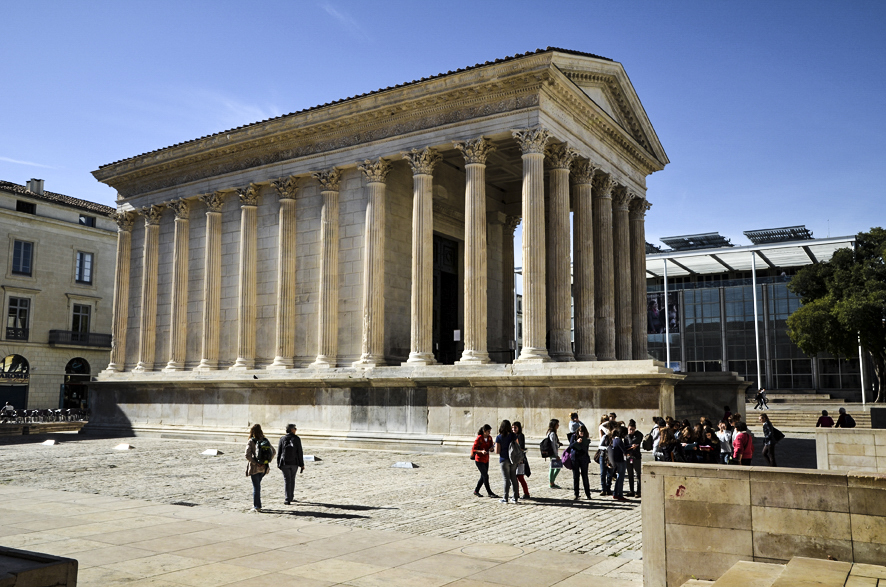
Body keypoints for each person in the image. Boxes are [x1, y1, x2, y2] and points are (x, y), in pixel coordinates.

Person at [245, 423, 275, 512]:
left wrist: (256, 462)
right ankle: (257, 504)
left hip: (255, 468)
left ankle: (257, 506)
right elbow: (273, 451)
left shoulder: (251, 441)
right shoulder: (265, 440)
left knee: (256, 487)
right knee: (257, 486)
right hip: (264, 468)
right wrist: (266, 462)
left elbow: (247, 455)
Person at [277, 423, 304, 505]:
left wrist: (279, 463)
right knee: (292, 479)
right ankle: (290, 497)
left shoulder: (282, 439)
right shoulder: (296, 439)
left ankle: (287, 498)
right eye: (295, 428)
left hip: (284, 462)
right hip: (294, 462)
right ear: (292, 430)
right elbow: (300, 452)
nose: (296, 430)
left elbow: (279, 452)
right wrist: (301, 464)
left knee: (287, 480)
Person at [494, 419, 520, 504]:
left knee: (506, 479)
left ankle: (505, 498)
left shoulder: (499, 437)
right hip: (513, 460)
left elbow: (497, 451)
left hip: (504, 459)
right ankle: (515, 498)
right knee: (514, 478)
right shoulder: (514, 436)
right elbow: (517, 447)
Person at [471, 424, 498, 498]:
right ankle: (489, 492)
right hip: (479, 460)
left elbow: (491, 448)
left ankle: (476, 491)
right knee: (485, 476)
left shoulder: (489, 438)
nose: (489, 433)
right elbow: (474, 449)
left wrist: (491, 449)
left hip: (486, 459)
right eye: (488, 431)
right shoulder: (479, 438)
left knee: (483, 476)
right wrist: (481, 451)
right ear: (484, 431)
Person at [568, 424, 592, 500]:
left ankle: (588, 494)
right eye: (580, 432)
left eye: (583, 432)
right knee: (576, 476)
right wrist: (577, 442)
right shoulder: (574, 436)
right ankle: (576, 494)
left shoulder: (586, 439)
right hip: (575, 458)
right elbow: (571, 446)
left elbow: (585, 449)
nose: (581, 434)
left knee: (585, 476)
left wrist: (582, 442)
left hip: (584, 459)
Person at [608, 427, 628, 501]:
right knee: (620, 478)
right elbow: (624, 451)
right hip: (620, 460)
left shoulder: (615, 440)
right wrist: (632, 448)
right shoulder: (619, 440)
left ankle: (615, 493)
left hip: (617, 460)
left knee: (619, 478)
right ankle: (619, 494)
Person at [512, 421, 531, 499]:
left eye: (515, 427)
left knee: (520, 477)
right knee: (514, 478)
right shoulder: (512, 436)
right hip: (514, 459)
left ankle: (526, 493)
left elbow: (521, 447)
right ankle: (516, 493)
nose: (514, 429)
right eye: (512, 427)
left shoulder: (520, 436)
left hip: (520, 459)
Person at [625, 420, 643, 498]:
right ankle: (631, 490)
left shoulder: (638, 435)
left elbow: (632, 442)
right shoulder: (626, 436)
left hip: (636, 457)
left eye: (632, 429)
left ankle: (638, 491)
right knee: (630, 474)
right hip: (628, 457)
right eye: (630, 429)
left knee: (638, 474)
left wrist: (630, 444)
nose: (631, 431)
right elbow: (626, 446)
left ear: (635, 428)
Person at [547, 419, 564, 488]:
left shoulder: (550, 433)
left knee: (555, 467)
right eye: (557, 424)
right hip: (553, 453)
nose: (558, 425)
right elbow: (553, 445)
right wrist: (556, 455)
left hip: (553, 452)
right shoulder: (552, 434)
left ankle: (552, 482)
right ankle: (551, 483)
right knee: (555, 467)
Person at [598, 421, 614, 495]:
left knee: (610, 473)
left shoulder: (614, 438)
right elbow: (600, 446)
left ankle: (608, 488)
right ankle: (603, 489)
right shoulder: (605, 437)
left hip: (611, 457)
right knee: (603, 473)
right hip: (603, 456)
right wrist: (607, 448)